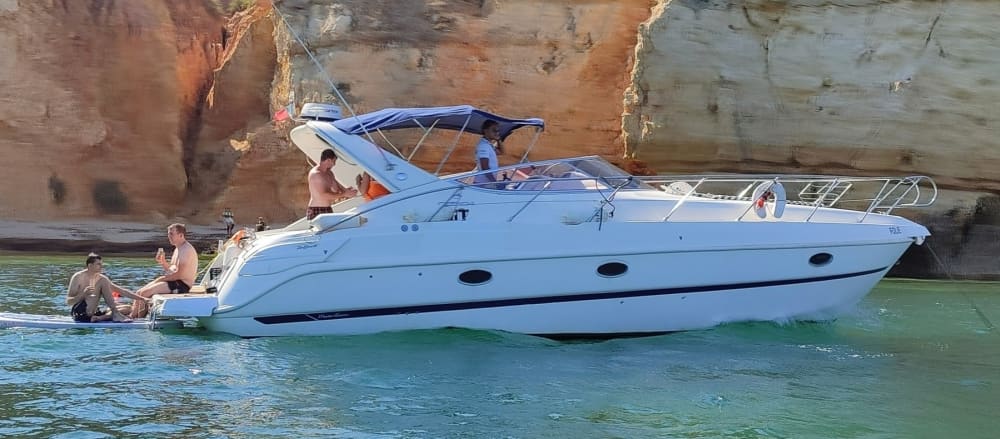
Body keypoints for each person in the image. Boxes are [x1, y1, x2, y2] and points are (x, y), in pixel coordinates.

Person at [130, 223, 199, 319]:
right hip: (175, 281)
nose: (169, 236)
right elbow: (172, 270)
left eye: (171, 234)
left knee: (144, 294)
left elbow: (180, 274)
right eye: (168, 234)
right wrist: (163, 262)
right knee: (138, 293)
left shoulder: (186, 250)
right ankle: (132, 317)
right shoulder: (178, 249)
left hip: (182, 285)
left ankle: (139, 319)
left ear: (181, 235)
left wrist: (161, 279)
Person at [65, 253, 143, 323]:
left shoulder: (101, 277)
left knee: (128, 308)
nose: (101, 266)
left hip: (94, 312)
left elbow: (121, 291)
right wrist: (83, 294)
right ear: (90, 266)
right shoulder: (78, 277)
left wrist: (142, 299)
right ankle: (115, 314)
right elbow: (69, 302)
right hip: (81, 314)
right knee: (103, 280)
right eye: (98, 264)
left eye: (101, 264)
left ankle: (100, 318)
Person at [306, 149, 358, 220]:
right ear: (328, 160)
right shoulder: (316, 175)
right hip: (316, 210)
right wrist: (344, 194)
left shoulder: (329, 173)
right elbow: (323, 195)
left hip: (328, 209)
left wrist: (347, 191)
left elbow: (336, 187)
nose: (334, 164)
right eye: (334, 161)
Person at [473, 120, 504, 186]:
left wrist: (499, 140)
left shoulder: (488, 144)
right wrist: (494, 182)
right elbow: (485, 167)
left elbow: (501, 152)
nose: (497, 133)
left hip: (487, 183)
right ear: (486, 131)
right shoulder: (483, 146)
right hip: (483, 184)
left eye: (498, 131)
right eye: (494, 130)